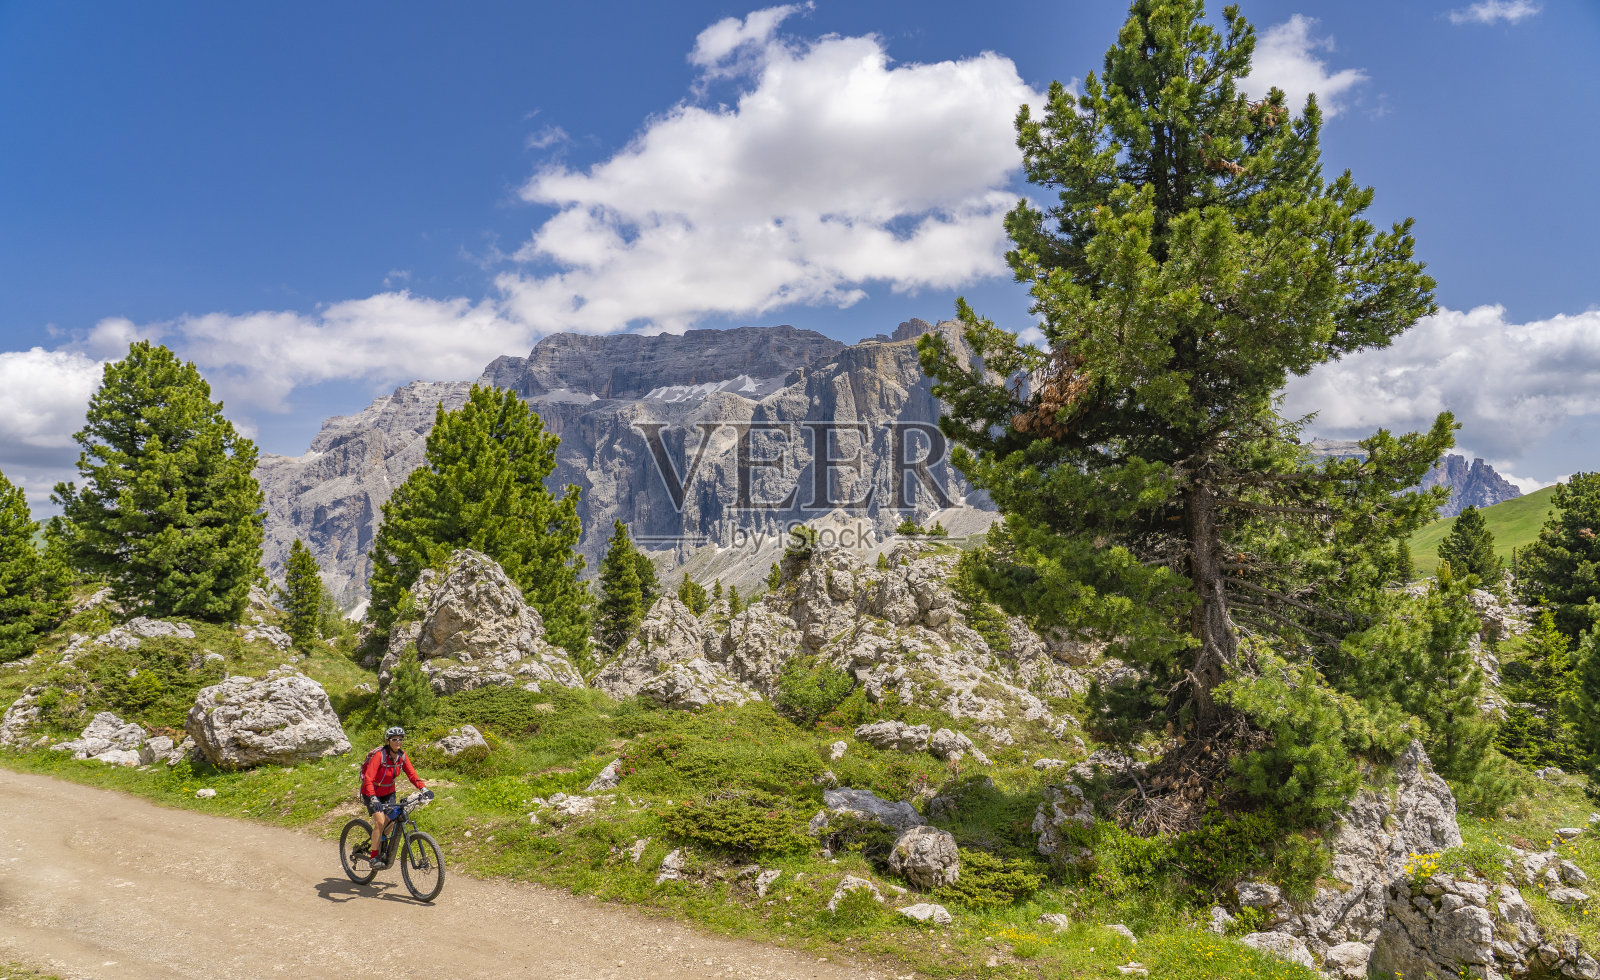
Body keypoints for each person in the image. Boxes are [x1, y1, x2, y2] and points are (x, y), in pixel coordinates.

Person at [360, 726, 427, 865]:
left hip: (389, 793)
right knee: (379, 822)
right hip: (372, 792)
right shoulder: (380, 755)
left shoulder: (402, 756)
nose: (398, 742)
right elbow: (368, 778)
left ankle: (382, 845)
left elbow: (413, 776)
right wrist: (372, 797)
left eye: (400, 739)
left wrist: (424, 789)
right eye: (394, 739)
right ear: (388, 740)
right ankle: (373, 857)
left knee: (390, 822)